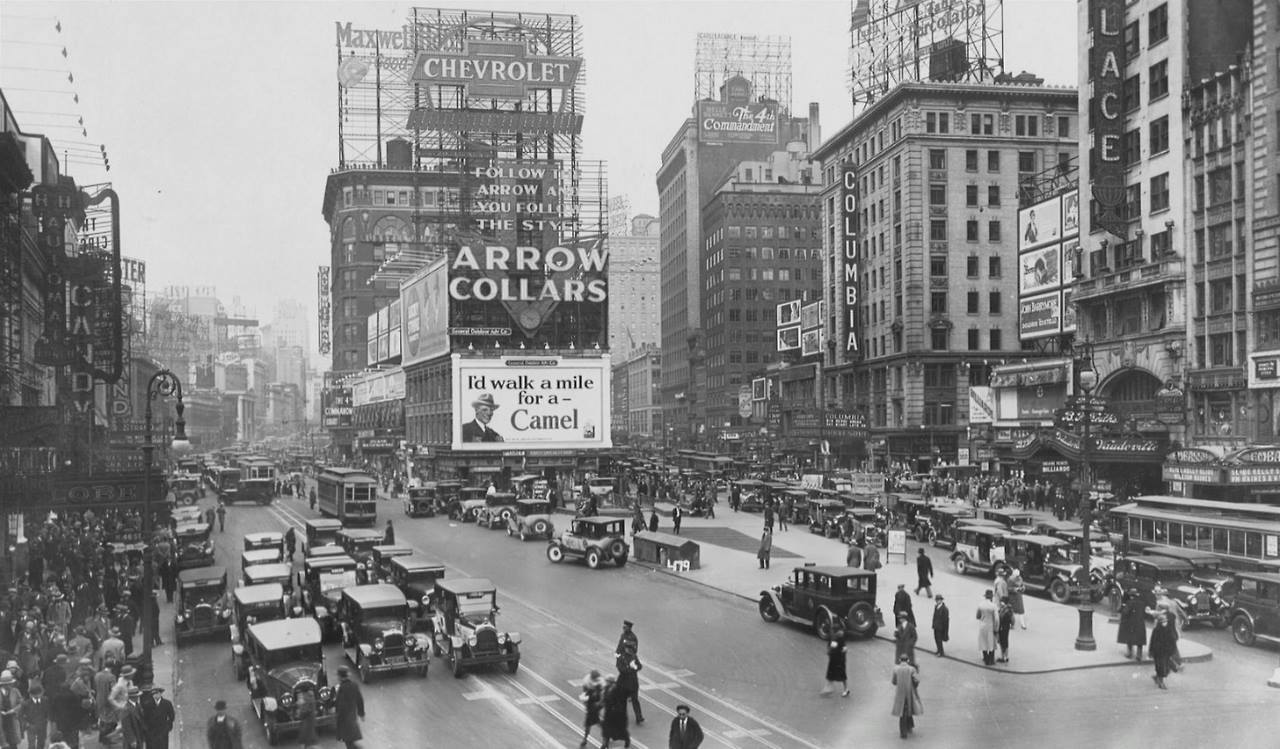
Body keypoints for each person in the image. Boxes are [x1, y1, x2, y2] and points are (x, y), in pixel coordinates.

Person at [889, 654, 923, 740]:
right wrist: (914, 685)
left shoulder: (896, 669)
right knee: (909, 708)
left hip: (900, 693)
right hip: (909, 692)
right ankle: (909, 726)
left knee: (902, 711)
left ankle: (903, 732)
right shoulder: (911, 669)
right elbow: (916, 680)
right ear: (907, 660)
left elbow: (894, 682)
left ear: (900, 660)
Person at [334, 665, 364, 749]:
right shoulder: (354, 685)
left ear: (340, 676)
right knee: (350, 744)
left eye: (337, 675)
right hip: (352, 717)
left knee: (350, 744)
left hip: (345, 720)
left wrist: (338, 718)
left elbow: (341, 706)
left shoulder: (342, 688)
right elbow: (360, 699)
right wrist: (361, 713)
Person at [1149, 611, 1178, 689]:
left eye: (1166, 621)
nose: (1165, 623)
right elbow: (1152, 641)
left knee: (1166, 668)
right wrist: (1151, 651)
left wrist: (1172, 650)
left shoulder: (1169, 629)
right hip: (1159, 652)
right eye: (1163, 621)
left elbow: (1172, 639)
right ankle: (1161, 682)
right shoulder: (1156, 630)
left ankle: (1157, 678)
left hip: (1167, 651)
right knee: (1161, 667)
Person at [615, 646, 643, 725]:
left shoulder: (634, 656)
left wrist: (636, 667)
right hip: (624, 683)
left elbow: (640, 666)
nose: (630, 650)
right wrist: (630, 667)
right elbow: (621, 669)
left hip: (633, 682)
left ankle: (639, 716)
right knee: (622, 701)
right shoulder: (621, 658)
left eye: (631, 649)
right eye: (628, 649)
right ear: (625, 649)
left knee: (635, 700)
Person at [599, 675, 630, 748]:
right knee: (606, 730)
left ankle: (627, 739)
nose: (606, 683)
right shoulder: (606, 688)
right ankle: (604, 744)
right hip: (608, 713)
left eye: (607, 681)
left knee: (620, 730)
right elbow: (604, 699)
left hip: (616, 714)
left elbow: (620, 701)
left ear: (611, 682)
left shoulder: (617, 690)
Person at [1117, 588, 1148, 661]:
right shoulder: (1142, 603)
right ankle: (1139, 655)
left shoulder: (1130, 602)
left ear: (1131, 596)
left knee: (1129, 638)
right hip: (1140, 623)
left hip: (1131, 623)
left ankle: (1130, 653)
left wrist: (1122, 607)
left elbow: (1125, 612)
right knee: (1139, 640)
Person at [578, 669, 605, 748]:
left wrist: (599, 703)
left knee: (591, 724)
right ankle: (585, 739)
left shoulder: (600, 683)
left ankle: (585, 739)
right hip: (591, 706)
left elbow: (602, 695)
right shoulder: (587, 682)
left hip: (595, 706)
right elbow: (585, 693)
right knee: (593, 723)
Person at [19, 682, 48, 749]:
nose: (37, 696)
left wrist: (47, 720)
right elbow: (20, 715)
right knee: (31, 745)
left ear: (42, 693)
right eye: (35, 695)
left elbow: (48, 711)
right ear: (30, 695)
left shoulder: (45, 700)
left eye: (39, 694)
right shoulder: (26, 704)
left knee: (41, 744)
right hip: (31, 726)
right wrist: (26, 724)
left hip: (42, 725)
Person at [294, 680, 319, 749]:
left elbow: (305, 710)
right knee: (308, 740)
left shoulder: (307, 697)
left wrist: (299, 713)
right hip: (309, 720)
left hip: (307, 721)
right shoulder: (310, 695)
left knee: (307, 740)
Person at [976, 590, 998, 666]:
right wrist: (996, 628)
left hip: (982, 626)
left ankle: (986, 659)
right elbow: (997, 619)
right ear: (991, 597)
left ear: (985, 596)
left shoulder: (980, 605)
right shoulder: (994, 606)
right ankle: (991, 660)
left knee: (983, 642)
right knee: (991, 643)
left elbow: (977, 616)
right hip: (990, 626)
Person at [996, 595, 1014, 663]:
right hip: (1006, 627)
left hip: (1002, 627)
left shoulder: (1005, 609)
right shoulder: (1009, 609)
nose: (1000, 603)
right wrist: (1011, 625)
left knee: (1003, 642)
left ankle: (1004, 657)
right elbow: (1012, 620)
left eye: (1001, 601)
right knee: (1004, 642)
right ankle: (1005, 657)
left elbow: (1000, 617)